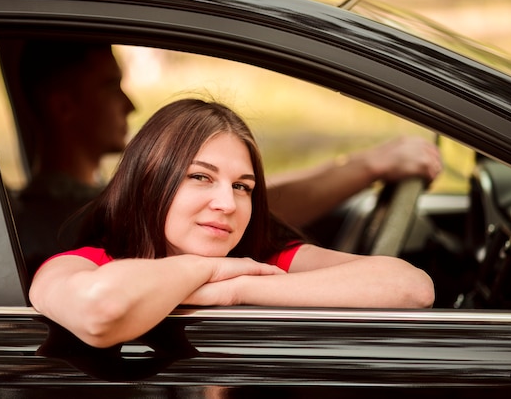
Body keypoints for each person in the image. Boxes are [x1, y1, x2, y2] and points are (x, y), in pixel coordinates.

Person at [13, 39, 442, 277]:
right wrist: (367, 166)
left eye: (243, 188)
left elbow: (410, 286)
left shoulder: (252, 252)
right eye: (110, 86)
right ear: (64, 105)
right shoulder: (70, 230)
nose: (129, 103)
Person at [29, 98, 435, 348]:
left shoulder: (261, 260)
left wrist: (237, 289)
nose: (227, 203)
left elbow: (411, 288)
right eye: (200, 176)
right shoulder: (81, 264)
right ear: (149, 181)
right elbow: (102, 311)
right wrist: (208, 269)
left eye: (243, 186)